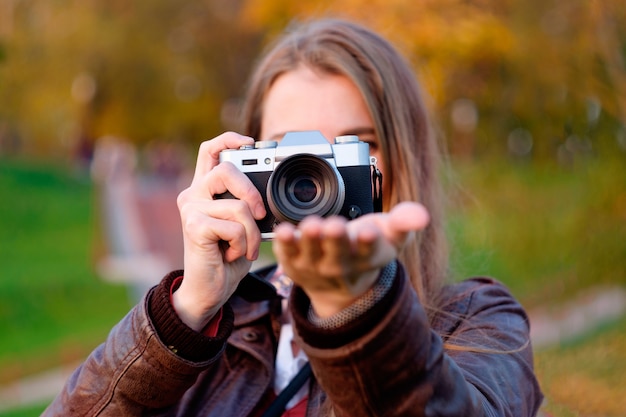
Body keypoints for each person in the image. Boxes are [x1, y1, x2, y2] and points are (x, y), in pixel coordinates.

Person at [45, 18, 543, 416]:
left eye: (352, 144)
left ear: (402, 158)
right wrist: (186, 313)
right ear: (245, 168)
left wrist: (360, 315)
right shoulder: (211, 337)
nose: (315, 175)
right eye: (289, 151)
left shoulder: (480, 324)